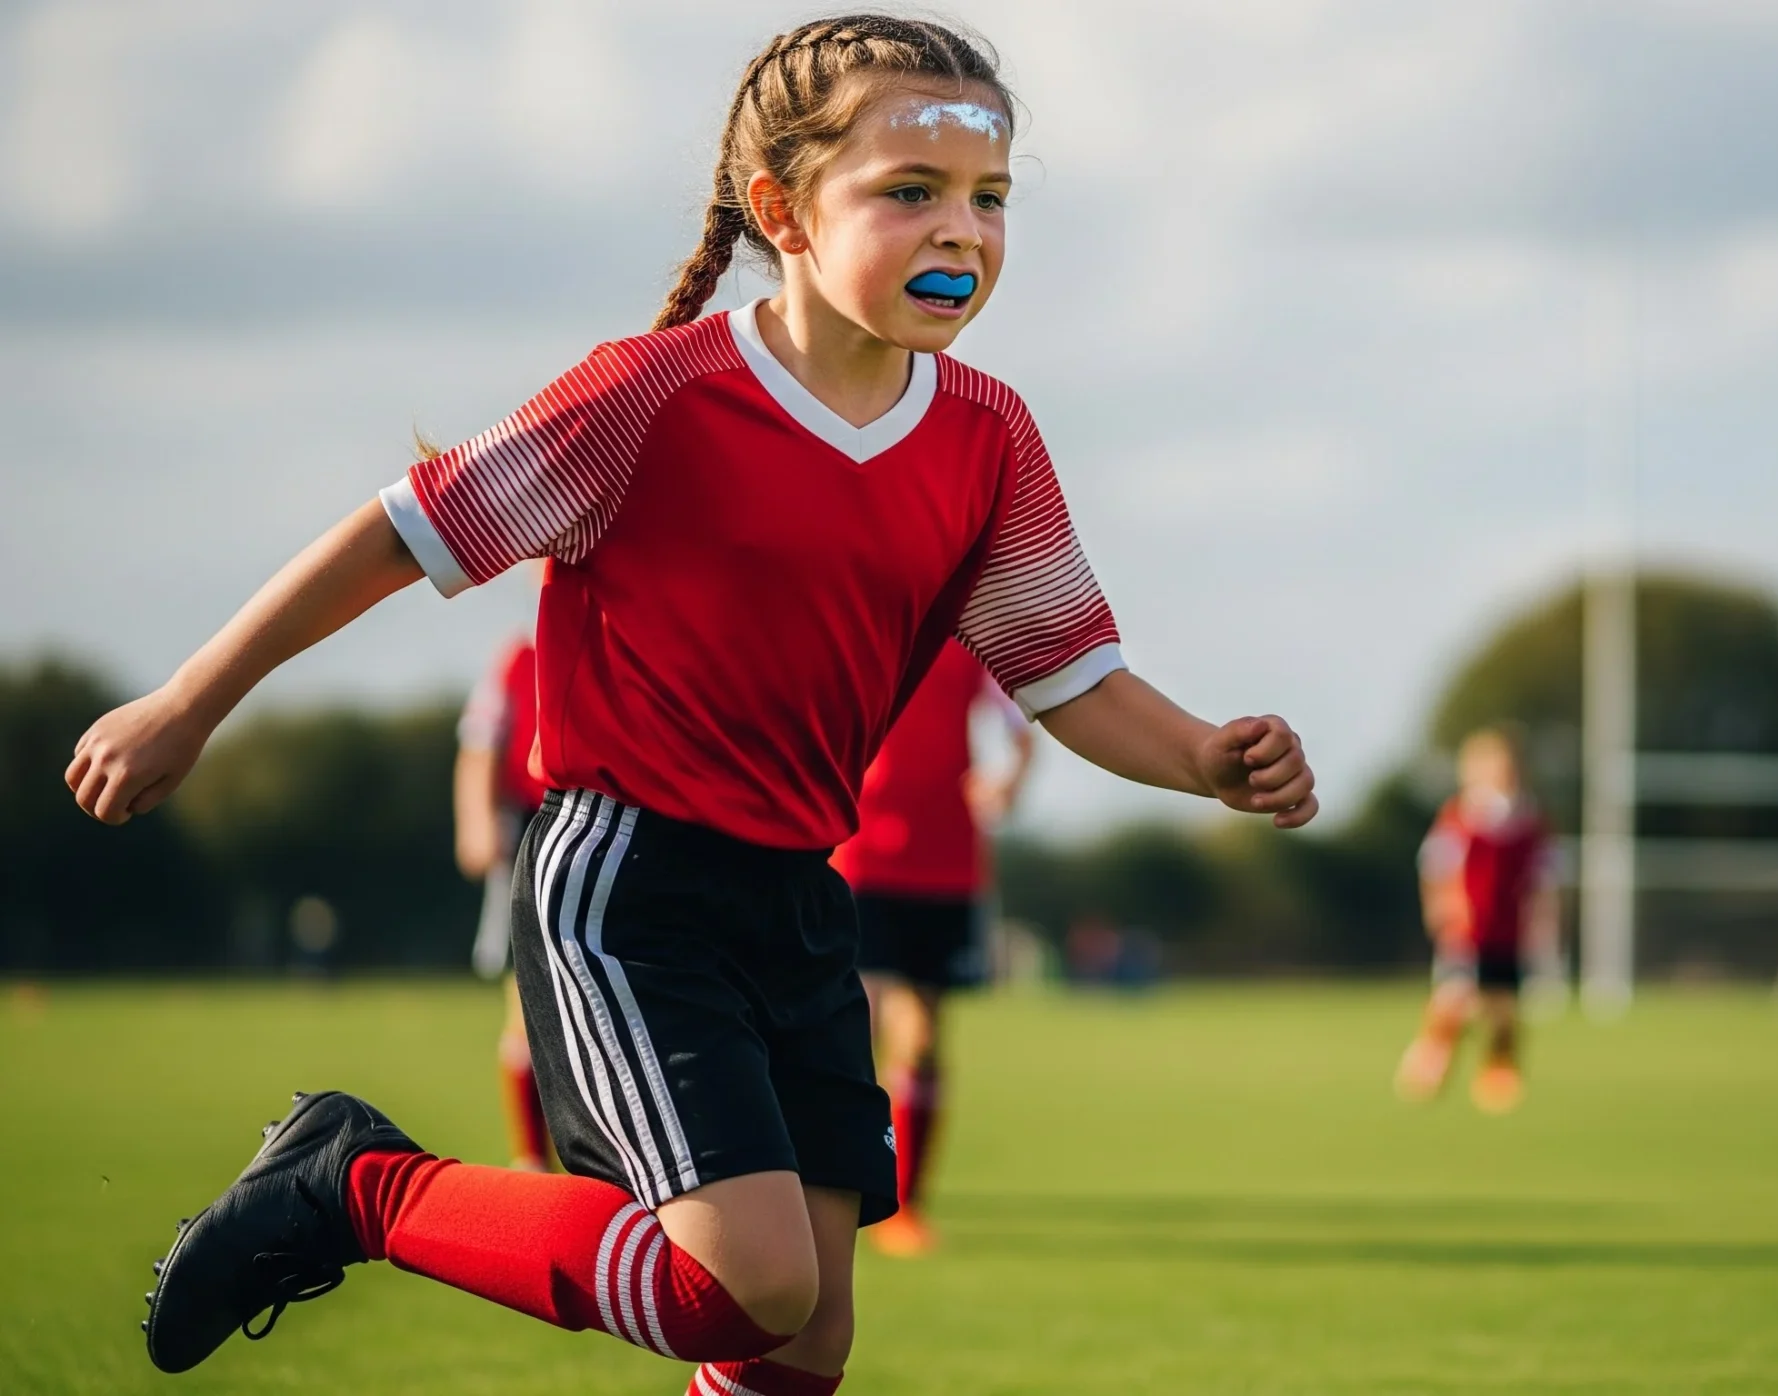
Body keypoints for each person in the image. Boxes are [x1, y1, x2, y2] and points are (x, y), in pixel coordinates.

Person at [68, 18, 1317, 1395]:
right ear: (781, 211)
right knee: (741, 1282)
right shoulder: (653, 398)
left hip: (797, 897)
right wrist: (188, 701)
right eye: (909, 190)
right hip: (629, 882)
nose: (960, 228)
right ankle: (353, 1186)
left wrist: (1205, 755)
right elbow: (395, 535)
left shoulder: (989, 435)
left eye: (989, 198)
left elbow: (1067, 675)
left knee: (806, 1342)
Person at [829, 637, 1030, 1258]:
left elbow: (1023, 720)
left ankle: (905, 1205)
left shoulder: (973, 643)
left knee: (922, 1031)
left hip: (945, 862)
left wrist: (1009, 780)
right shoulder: (860, 624)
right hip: (856, 852)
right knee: (844, 1026)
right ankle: (830, 1186)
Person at [1395, 726, 1555, 1114]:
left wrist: (1543, 923)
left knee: (1503, 1010)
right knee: (1456, 999)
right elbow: (1436, 867)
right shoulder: (1459, 818)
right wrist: (1442, 909)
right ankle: (1431, 1054)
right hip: (1467, 929)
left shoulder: (1530, 823)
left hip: (1508, 930)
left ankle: (1497, 1071)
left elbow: (1542, 879)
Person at [453, 625, 553, 1172]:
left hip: (614, 830)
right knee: (526, 997)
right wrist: (476, 821)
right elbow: (480, 743)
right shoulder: (519, 657)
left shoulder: (632, 632)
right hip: (531, 834)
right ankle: (531, 1160)